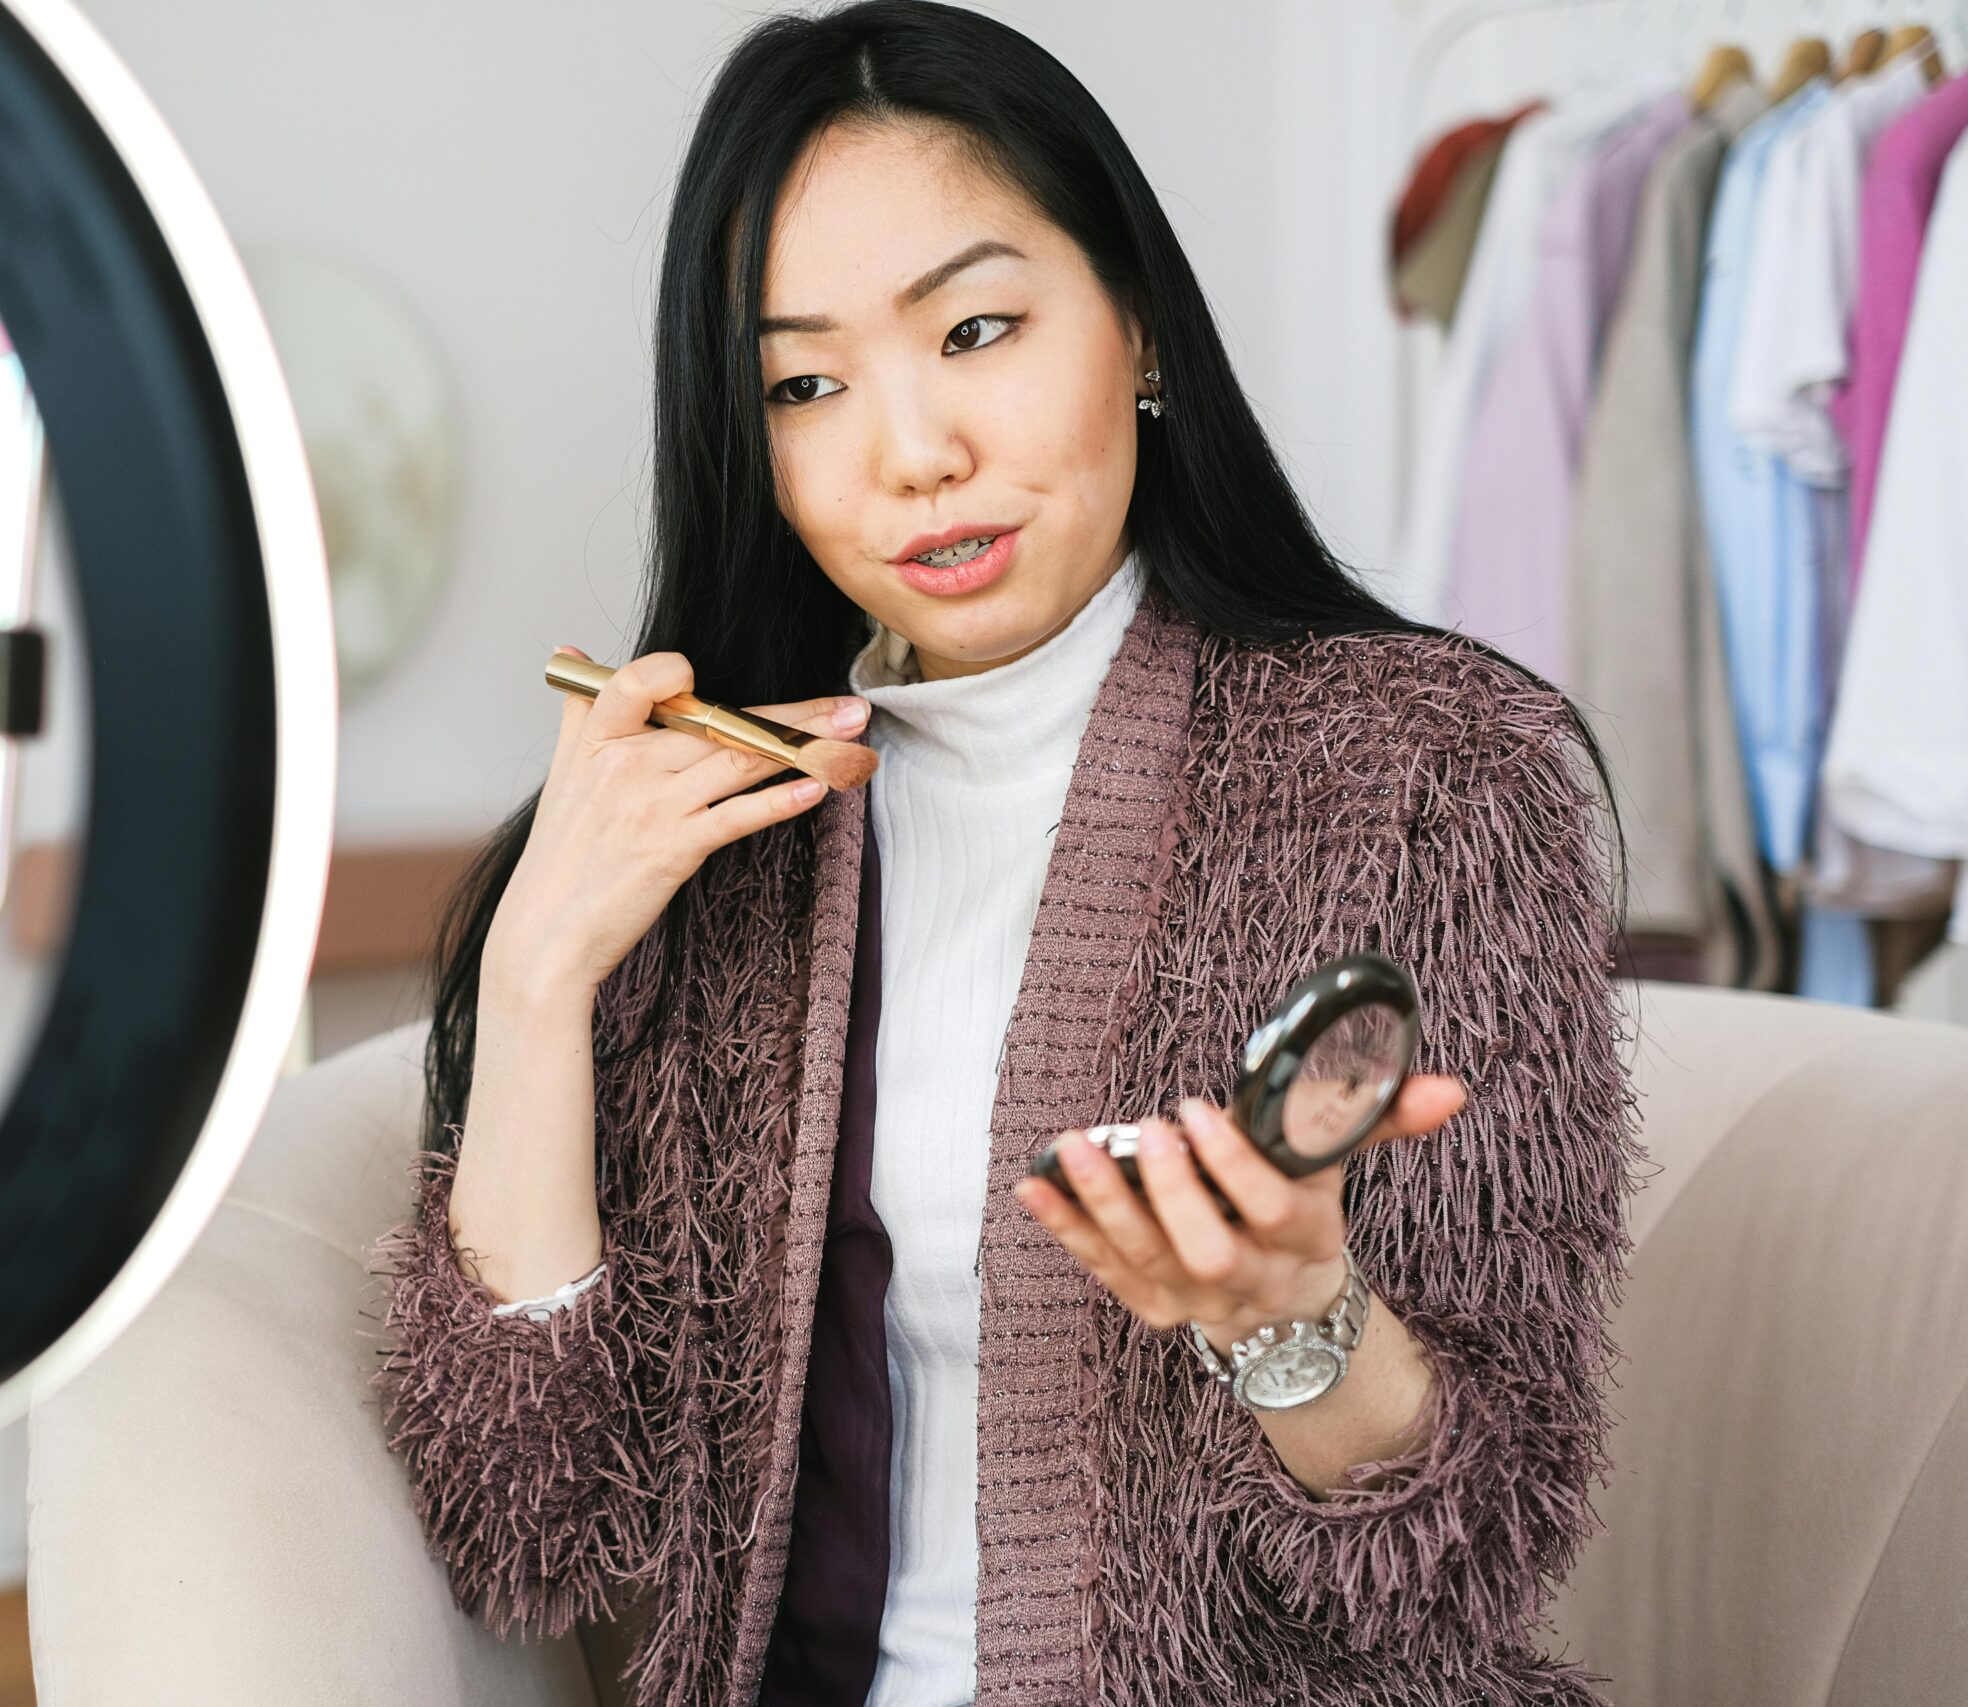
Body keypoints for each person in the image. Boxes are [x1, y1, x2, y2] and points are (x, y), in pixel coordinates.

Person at [372, 4, 1638, 1702]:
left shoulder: (1434, 777)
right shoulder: (703, 844)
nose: (912, 453)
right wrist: (536, 981)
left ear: (1139, 331)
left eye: (975, 329)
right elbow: (522, 1529)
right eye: (806, 381)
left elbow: (1476, 1547)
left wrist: (1289, 1317)